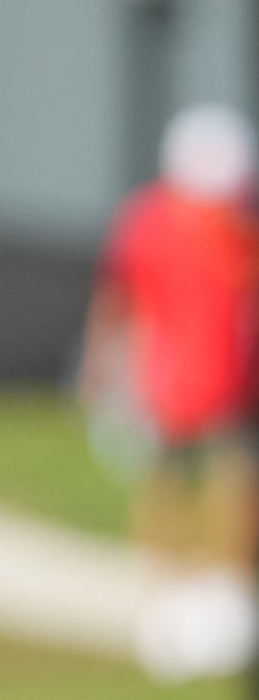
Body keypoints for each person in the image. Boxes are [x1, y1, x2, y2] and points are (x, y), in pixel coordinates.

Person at [78, 103, 259, 680]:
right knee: (168, 486)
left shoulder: (241, 223)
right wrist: (100, 365)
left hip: (235, 383)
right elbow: (118, 294)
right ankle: (167, 599)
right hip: (168, 385)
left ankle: (230, 596)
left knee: (235, 483)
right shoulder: (149, 222)